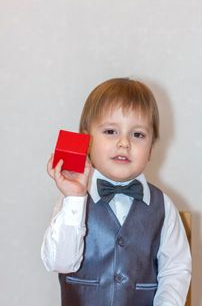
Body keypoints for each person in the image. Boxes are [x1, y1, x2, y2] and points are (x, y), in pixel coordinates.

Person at [41, 77, 191, 306]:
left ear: (150, 149)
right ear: (86, 142)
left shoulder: (163, 206)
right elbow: (60, 263)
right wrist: (74, 199)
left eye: (138, 134)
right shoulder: (72, 201)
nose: (124, 143)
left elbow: (176, 270)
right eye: (111, 131)